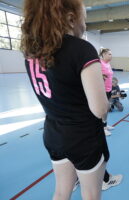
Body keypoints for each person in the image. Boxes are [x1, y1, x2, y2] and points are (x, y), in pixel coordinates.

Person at [21, 0, 109, 199]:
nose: (85, 25)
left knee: (61, 192)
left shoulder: (32, 51)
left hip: (53, 132)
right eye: (84, 18)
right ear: (71, 18)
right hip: (83, 137)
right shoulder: (81, 49)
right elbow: (99, 109)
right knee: (91, 195)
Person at [99, 48, 114, 136]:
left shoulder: (108, 63)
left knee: (107, 109)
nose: (111, 56)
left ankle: (105, 124)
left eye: (111, 54)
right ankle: (102, 128)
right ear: (103, 54)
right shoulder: (99, 63)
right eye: (109, 54)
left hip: (109, 89)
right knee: (103, 109)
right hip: (102, 90)